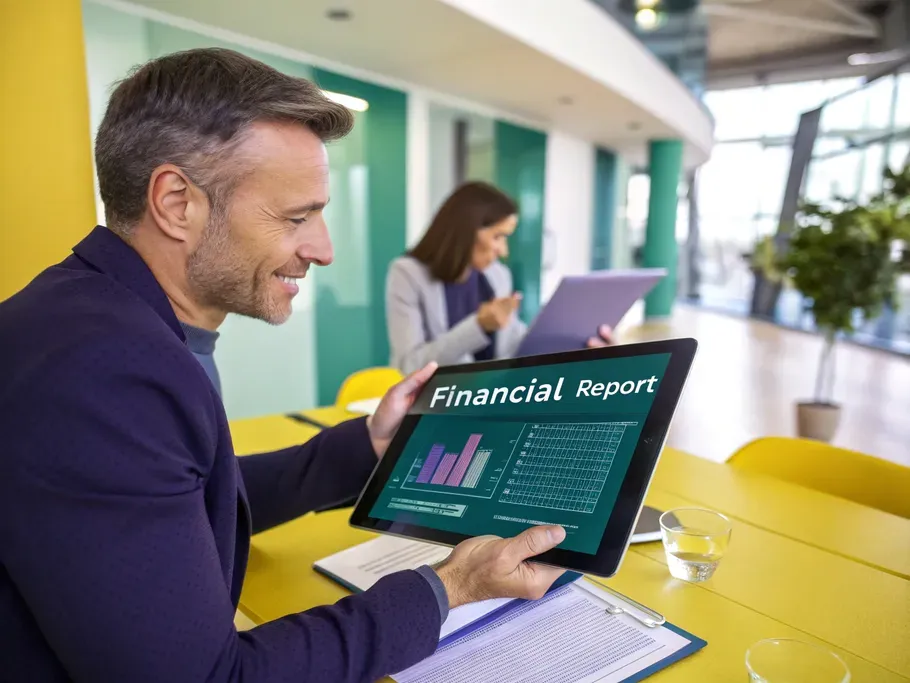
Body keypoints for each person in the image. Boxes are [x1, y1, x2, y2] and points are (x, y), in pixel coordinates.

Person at [0, 48, 567, 683]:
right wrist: (449, 586)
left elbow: (185, 492)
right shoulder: (107, 373)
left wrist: (371, 447)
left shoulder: (98, 317)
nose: (322, 250)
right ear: (176, 202)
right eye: (296, 217)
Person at [386, 182, 614, 374]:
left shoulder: (497, 275)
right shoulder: (408, 274)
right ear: (466, 231)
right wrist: (478, 326)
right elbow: (410, 365)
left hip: (490, 398)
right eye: (498, 237)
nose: (503, 251)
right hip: (434, 404)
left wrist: (571, 342)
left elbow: (514, 345)